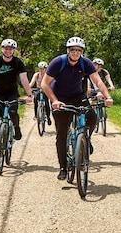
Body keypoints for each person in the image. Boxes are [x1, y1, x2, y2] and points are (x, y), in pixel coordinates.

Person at [41, 36, 113, 180]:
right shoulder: (58, 62)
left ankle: (86, 138)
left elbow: (98, 81)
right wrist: (54, 101)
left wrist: (107, 96)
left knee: (92, 117)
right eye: (72, 50)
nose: (75, 52)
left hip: (77, 96)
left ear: (82, 52)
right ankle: (63, 167)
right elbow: (44, 84)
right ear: (68, 51)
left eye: (78, 50)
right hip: (59, 98)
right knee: (61, 134)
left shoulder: (85, 63)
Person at [0, 39, 33, 160]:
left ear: (13, 50)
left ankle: (16, 127)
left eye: (10, 49)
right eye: (6, 48)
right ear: (2, 49)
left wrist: (29, 94)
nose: (8, 50)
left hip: (12, 93)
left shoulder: (18, 62)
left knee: (13, 112)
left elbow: (24, 79)